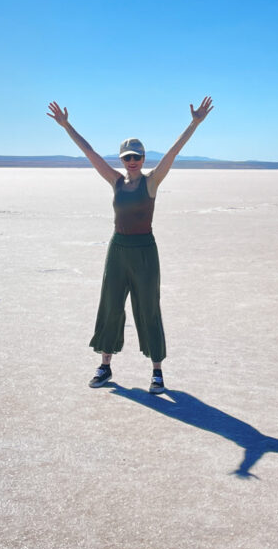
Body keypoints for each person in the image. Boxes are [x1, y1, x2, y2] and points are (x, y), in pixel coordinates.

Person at [47, 97, 214, 393]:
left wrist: (194, 123)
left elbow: (174, 152)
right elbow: (89, 152)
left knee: (148, 308)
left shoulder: (152, 181)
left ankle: (157, 372)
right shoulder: (116, 182)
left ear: (144, 158)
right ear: (122, 159)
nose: (132, 161)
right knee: (110, 305)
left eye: (136, 156)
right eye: (127, 157)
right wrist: (66, 126)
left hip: (145, 252)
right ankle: (105, 365)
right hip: (118, 250)